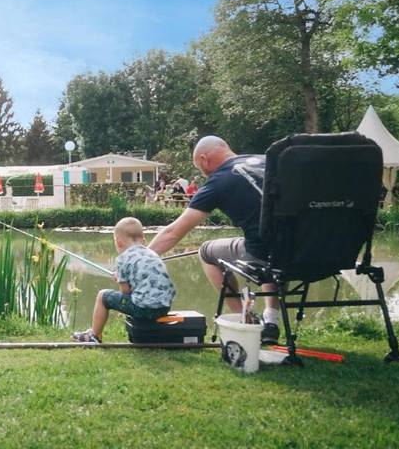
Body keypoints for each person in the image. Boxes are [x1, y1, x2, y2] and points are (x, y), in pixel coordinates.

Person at [147, 136, 280, 344]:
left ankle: (246, 319)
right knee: (272, 242)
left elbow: (174, 232)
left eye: (200, 169)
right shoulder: (270, 161)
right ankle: (271, 318)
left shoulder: (220, 179)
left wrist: (139, 257)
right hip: (306, 249)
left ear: (203, 159)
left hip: (265, 254)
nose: (204, 174)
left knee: (206, 252)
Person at [71, 217, 176, 343]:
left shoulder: (122, 259)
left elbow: (125, 292)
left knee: (102, 296)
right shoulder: (153, 254)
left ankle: (94, 335)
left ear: (118, 243)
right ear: (144, 240)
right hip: (164, 308)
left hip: (144, 309)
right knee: (139, 298)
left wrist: (119, 279)